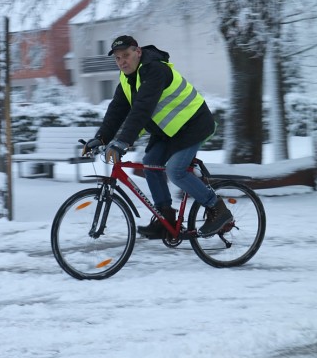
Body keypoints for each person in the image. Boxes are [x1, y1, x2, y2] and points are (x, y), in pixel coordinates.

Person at [83, 35, 232, 238]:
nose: (122, 62)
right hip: (168, 131)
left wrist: (123, 142)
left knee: (175, 171)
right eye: (117, 58)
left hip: (193, 124)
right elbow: (116, 110)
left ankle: (218, 209)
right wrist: (100, 138)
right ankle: (166, 218)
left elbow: (142, 109)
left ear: (138, 52)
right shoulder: (127, 80)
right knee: (150, 164)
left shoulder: (155, 70)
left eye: (126, 55)